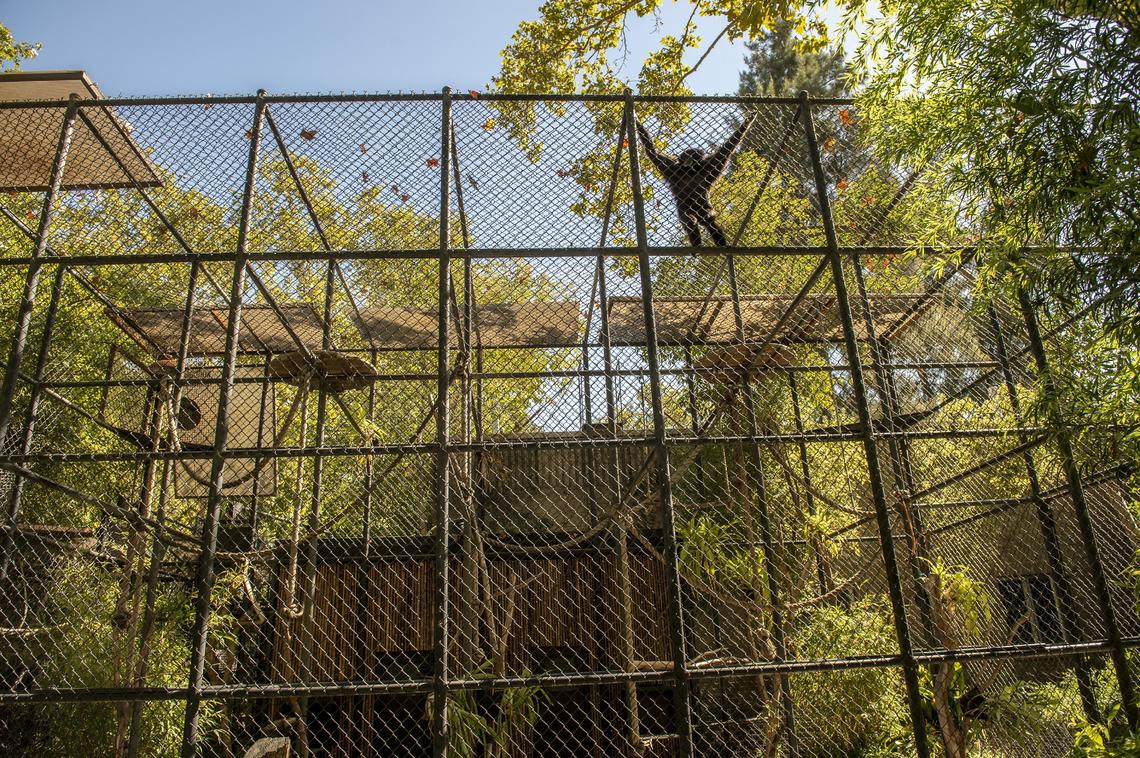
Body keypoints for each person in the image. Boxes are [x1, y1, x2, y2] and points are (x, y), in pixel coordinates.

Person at [636, 114, 757, 247]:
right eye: (686, 158)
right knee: (688, 220)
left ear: (699, 159)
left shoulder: (707, 168)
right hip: (685, 208)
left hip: (704, 206)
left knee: (708, 220)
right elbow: (652, 152)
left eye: (691, 158)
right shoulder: (673, 170)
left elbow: (727, 148)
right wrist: (637, 124)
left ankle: (722, 247)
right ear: (681, 160)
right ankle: (697, 245)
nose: (689, 162)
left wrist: (744, 126)